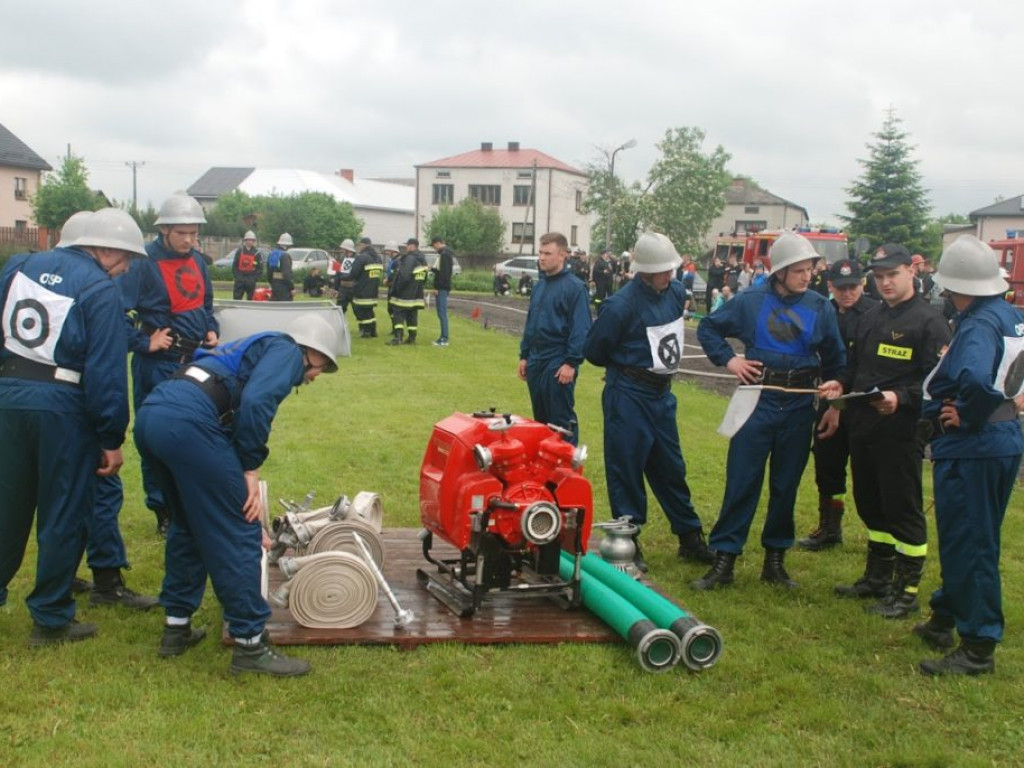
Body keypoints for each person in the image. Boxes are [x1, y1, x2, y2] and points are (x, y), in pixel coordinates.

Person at [134, 315, 339, 676]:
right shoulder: (286, 350)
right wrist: (249, 470)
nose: (316, 376)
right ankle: (249, 646)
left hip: (155, 414)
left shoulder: (249, 347)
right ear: (309, 350)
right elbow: (257, 403)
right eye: (321, 366)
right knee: (239, 530)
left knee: (189, 525)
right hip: (188, 423)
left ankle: (176, 628)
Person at [0, 208, 147, 646]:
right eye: (125, 260)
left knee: (6, 508)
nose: (125, 270)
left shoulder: (16, 266)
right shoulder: (98, 289)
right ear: (103, 249)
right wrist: (110, 437)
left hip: (7, 397)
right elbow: (105, 372)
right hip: (62, 407)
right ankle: (50, 617)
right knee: (64, 513)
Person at [694, 233, 845, 591]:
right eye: (798, 270)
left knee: (785, 485)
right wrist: (730, 360)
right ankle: (724, 559)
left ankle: (775, 561)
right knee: (742, 481)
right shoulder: (749, 300)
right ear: (779, 271)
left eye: (809, 270)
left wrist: (836, 386)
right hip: (757, 400)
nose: (806, 277)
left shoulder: (821, 307)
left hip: (798, 406)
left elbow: (837, 359)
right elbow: (708, 327)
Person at [820, 243, 950, 618]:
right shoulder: (871, 317)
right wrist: (839, 385)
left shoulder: (930, 321)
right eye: (879, 277)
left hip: (902, 431)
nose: (885, 283)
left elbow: (937, 382)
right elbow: (856, 368)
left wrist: (902, 397)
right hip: (863, 427)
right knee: (870, 504)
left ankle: (906, 591)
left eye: (892, 275)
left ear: (912, 270)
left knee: (902, 509)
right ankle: (877, 578)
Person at [914, 236, 1023, 675]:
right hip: (1002, 440)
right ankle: (945, 614)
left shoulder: (978, 324)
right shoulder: (1009, 317)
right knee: (975, 534)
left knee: (970, 541)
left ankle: (978, 645)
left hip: (975, 446)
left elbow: (977, 379)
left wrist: (967, 415)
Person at [584, 232, 713, 572]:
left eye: (671, 269)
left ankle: (689, 536)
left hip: (661, 394)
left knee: (671, 466)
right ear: (643, 271)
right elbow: (594, 350)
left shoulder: (674, 292)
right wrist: (624, 367)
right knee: (626, 467)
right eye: (661, 270)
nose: (669, 276)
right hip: (628, 394)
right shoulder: (620, 306)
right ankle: (628, 540)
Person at [118, 191, 220, 539]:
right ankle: (162, 508)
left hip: (193, 362)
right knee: (157, 438)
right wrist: (143, 342)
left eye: (194, 233)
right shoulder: (142, 263)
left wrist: (210, 328)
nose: (190, 240)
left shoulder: (199, 262)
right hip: (157, 365)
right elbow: (113, 311)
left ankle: (188, 503)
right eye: (182, 234)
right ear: (164, 231)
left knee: (193, 432)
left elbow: (206, 304)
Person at [798, 259, 878, 551]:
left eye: (853, 287)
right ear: (830, 286)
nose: (847, 293)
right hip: (827, 398)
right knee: (827, 465)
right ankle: (830, 528)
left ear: (862, 285)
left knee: (867, 473)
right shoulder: (824, 311)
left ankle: (878, 538)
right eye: (841, 288)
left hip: (860, 404)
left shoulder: (874, 313)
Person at [518, 232, 592, 445]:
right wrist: (524, 355)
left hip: (558, 361)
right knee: (540, 423)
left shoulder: (575, 288)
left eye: (547, 253)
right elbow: (531, 323)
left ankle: (567, 471)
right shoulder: (540, 286)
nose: (541, 257)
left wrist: (571, 362)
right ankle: (545, 472)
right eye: (540, 253)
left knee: (561, 422)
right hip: (536, 360)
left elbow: (581, 329)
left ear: (562, 255)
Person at [387, 238, 428, 345]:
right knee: (412, 317)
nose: (406, 247)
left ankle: (397, 338)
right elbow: (424, 278)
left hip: (404, 295)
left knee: (398, 315)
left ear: (412, 246)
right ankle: (411, 338)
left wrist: (396, 289)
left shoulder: (410, 259)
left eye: (407, 245)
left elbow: (404, 277)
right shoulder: (423, 260)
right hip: (416, 295)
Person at [350, 237, 383, 338]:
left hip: (362, 289)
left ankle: (366, 332)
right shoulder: (378, 258)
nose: (358, 247)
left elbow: (354, 273)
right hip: (373, 289)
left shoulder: (362, 257)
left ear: (363, 245)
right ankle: (373, 331)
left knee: (362, 311)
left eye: (359, 245)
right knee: (369, 310)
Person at [430, 235, 454, 346]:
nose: (434, 248)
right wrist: (432, 269)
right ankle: (442, 337)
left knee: (442, 313)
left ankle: (444, 339)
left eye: (434, 246)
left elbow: (444, 275)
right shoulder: (445, 254)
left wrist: (437, 287)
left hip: (442, 288)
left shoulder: (444, 255)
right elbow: (441, 271)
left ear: (437, 243)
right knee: (441, 313)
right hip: (443, 287)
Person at [231, 231, 263, 300]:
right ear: (245, 240)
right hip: (240, 279)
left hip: (251, 279)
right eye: (248, 240)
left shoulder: (257, 253)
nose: (250, 242)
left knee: (250, 300)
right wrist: (237, 277)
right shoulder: (240, 251)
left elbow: (260, 268)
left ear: (254, 241)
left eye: (252, 240)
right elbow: (234, 265)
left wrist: (254, 279)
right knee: (236, 299)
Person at [267, 233, 294, 302]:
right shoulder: (285, 256)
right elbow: (286, 274)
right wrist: (292, 288)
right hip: (284, 288)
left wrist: (272, 283)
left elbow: (269, 273)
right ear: (287, 245)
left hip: (274, 286)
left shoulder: (272, 254)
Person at [333, 238, 357, 313]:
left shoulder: (358, 259)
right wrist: (335, 288)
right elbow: (336, 274)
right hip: (343, 288)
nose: (342, 251)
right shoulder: (339, 258)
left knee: (358, 311)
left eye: (343, 249)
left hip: (354, 289)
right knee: (339, 310)